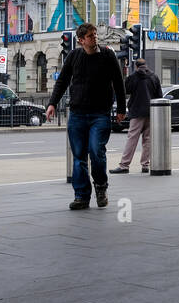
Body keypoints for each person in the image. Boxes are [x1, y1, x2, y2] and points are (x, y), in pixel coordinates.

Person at [45, 23, 126, 209]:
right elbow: (62, 82)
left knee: (96, 151)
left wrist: (121, 108)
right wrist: (52, 103)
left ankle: (101, 186)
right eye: (90, 36)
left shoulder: (107, 55)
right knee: (79, 157)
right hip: (77, 114)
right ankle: (81, 195)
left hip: (100, 113)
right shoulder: (74, 56)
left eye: (95, 34)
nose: (95, 38)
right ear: (81, 40)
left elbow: (118, 83)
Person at [111, 58, 162, 174]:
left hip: (136, 112)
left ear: (136, 66)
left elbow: (125, 90)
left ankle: (124, 165)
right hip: (151, 112)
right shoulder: (154, 77)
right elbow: (159, 95)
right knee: (148, 140)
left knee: (132, 139)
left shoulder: (133, 77)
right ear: (146, 65)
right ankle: (145, 165)